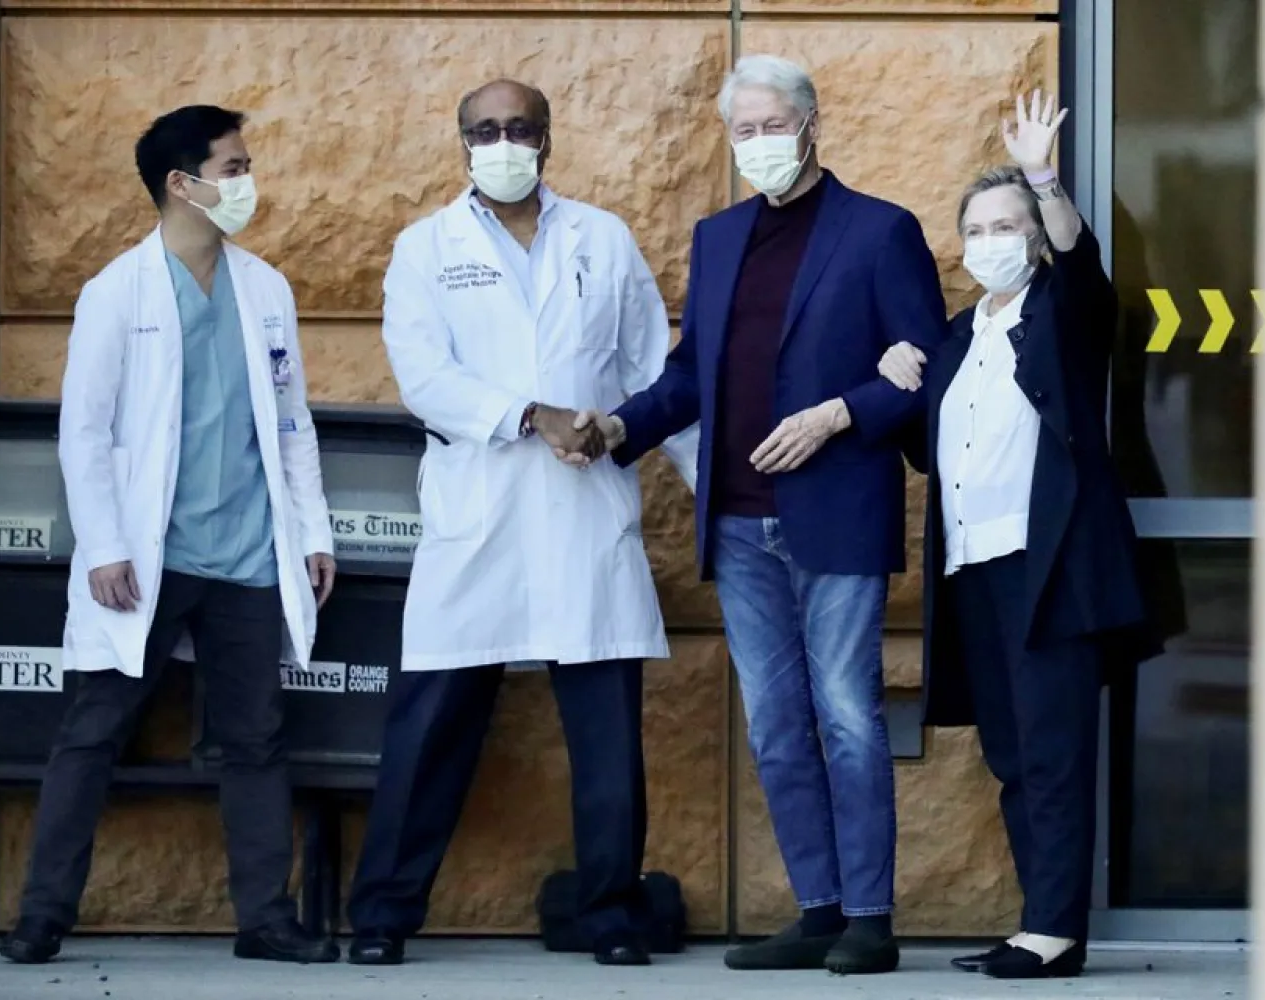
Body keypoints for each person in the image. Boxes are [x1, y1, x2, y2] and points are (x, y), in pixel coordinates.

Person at [568, 54, 947, 975]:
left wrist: (838, 413)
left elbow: (926, 362)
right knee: (776, 724)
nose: (759, 144)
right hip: (737, 521)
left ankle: (870, 918)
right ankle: (817, 908)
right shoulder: (718, 236)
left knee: (850, 715)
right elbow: (692, 373)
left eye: (774, 125)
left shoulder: (880, 231)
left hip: (836, 513)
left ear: (813, 125)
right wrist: (619, 425)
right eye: (744, 130)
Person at [344, 78, 696, 970]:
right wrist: (532, 415)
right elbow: (424, 378)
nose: (503, 142)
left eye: (520, 129)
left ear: (548, 138)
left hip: (585, 510)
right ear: (461, 144)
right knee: (431, 724)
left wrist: (706, 495)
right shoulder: (426, 248)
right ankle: (383, 913)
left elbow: (655, 374)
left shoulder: (603, 239)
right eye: (485, 130)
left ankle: (612, 912)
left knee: (606, 731)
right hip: (480, 511)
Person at [0, 105, 339, 966]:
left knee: (255, 738)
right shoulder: (116, 292)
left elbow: (291, 423)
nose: (246, 181)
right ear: (181, 184)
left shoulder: (265, 288)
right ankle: (42, 916)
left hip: (248, 554)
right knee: (92, 730)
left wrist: (311, 534)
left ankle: (266, 919)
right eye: (233, 167)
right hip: (147, 558)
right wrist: (106, 544)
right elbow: (85, 432)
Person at [876, 91, 1154, 980]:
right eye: (977, 226)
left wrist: (1043, 176)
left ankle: (1055, 929)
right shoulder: (959, 337)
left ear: (1033, 237)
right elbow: (933, 450)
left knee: (1055, 748)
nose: (991, 238)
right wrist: (898, 376)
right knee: (1012, 753)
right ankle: (1043, 922)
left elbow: (1084, 268)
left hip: (1051, 568)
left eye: (1009, 223)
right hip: (976, 569)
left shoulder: (1061, 315)